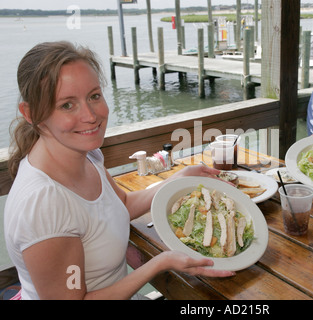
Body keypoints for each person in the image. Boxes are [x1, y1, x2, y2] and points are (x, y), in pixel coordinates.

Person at [4, 41, 234, 300]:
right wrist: (159, 263)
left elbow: (120, 204)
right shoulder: (44, 205)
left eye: (94, 96)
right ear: (31, 113)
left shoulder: (87, 155)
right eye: (67, 105)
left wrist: (178, 180)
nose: (91, 115)